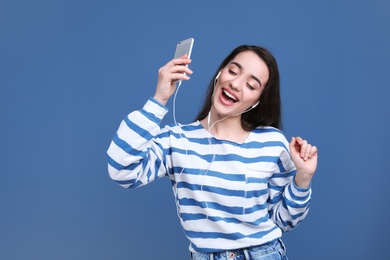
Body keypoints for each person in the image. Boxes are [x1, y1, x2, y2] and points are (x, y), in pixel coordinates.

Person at [106, 45, 318, 260]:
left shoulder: (271, 143)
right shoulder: (177, 140)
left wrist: (303, 178)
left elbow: (285, 220)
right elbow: (122, 172)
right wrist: (158, 100)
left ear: (258, 101)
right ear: (219, 74)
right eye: (233, 71)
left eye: (251, 85)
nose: (235, 84)